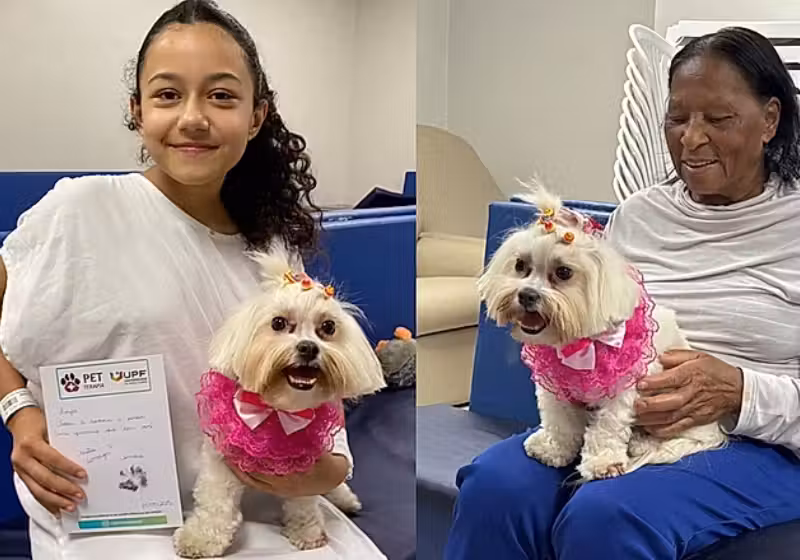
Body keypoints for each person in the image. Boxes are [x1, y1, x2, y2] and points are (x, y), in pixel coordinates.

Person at [0, 1, 385, 558]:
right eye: (167, 94)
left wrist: (328, 468)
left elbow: (313, 385)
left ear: (256, 115)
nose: (193, 117)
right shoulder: (80, 210)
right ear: (137, 111)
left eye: (221, 95)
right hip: (109, 515)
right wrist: (19, 412)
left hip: (266, 504)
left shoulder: (272, 254)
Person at [445, 27, 800, 560]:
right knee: (495, 488)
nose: (691, 139)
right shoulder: (639, 215)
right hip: (622, 422)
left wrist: (739, 393)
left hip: (759, 444)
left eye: (718, 119)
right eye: (677, 118)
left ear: (769, 119)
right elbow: (594, 329)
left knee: (607, 517)